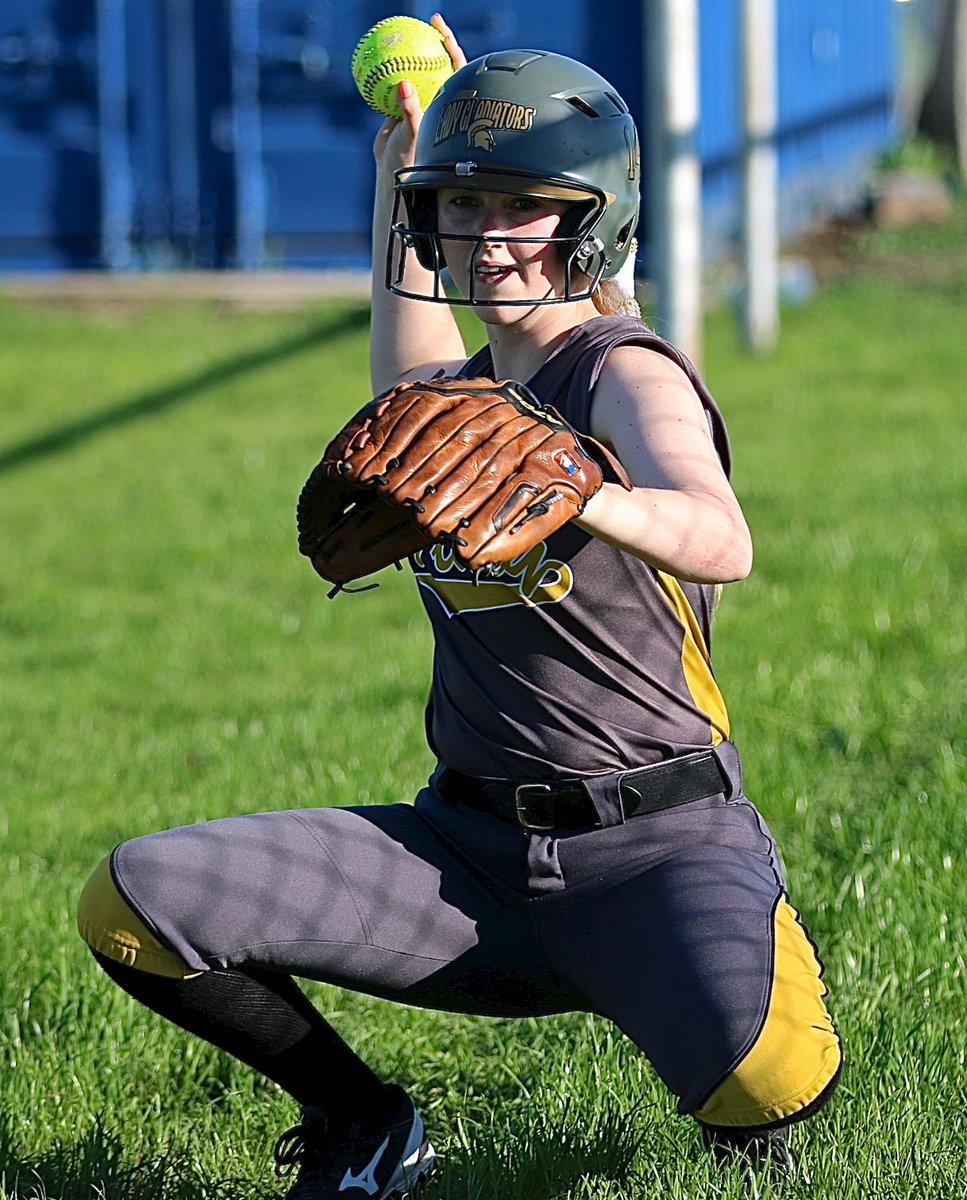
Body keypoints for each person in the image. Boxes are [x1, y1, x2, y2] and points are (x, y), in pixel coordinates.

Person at [77, 15, 841, 1199]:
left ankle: (722, 980)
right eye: (461, 207)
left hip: (653, 849)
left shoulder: (620, 369)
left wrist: (582, 489)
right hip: (467, 858)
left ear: (593, 220)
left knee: (766, 1088)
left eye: (521, 207)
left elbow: (718, 533)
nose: (487, 238)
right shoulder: (459, 397)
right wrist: (399, 167)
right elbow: (406, 376)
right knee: (136, 903)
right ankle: (364, 1126)